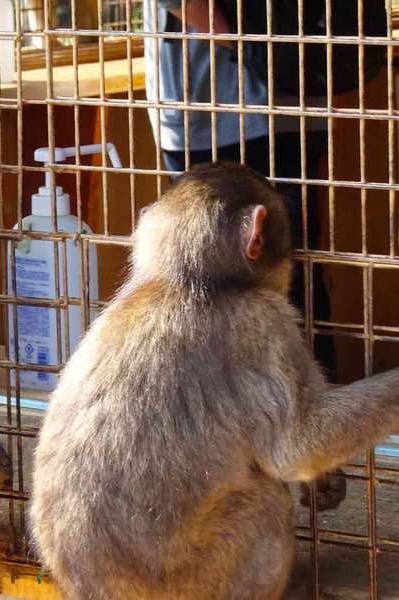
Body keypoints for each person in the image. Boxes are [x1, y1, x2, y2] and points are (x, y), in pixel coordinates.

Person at [143, 0, 335, 377]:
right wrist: (253, 47)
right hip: (220, 104)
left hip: (282, 97)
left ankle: (303, 402)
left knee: (291, 280)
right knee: (212, 283)